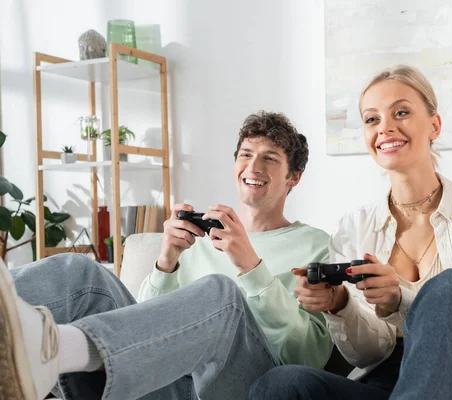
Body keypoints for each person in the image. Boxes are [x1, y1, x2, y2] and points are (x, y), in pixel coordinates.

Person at [249, 65, 452, 400]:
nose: (385, 127)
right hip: (392, 381)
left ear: (434, 125)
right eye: (371, 119)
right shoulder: (353, 227)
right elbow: (368, 355)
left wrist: (398, 299)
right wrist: (341, 304)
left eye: (401, 112)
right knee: (281, 385)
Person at [0, 111, 335, 400]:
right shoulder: (201, 239)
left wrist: (251, 266)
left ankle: (54, 350)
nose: (253, 166)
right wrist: (166, 262)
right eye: (245, 154)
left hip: (243, 384)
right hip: (170, 385)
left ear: (294, 177)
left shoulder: (315, 245)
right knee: (78, 271)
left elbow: (309, 357)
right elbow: (140, 321)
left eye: (270, 158)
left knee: (221, 293)